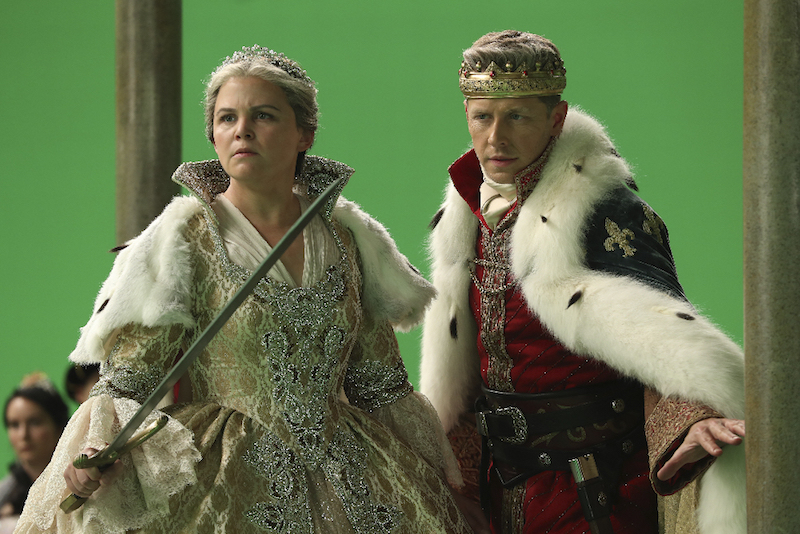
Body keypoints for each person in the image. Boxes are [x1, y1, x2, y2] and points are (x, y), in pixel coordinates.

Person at [14, 46, 471, 534]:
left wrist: (433, 482)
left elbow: (379, 384)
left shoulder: (348, 238)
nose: (242, 130)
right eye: (227, 118)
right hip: (226, 481)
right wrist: (95, 447)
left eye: (264, 115)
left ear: (304, 134)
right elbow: (129, 381)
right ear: (213, 134)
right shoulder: (181, 240)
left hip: (349, 471)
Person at [419, 30, 745, 534]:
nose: (496, 137)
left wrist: (697, 414)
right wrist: (455, 475)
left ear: (557, 119)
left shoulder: (606, 210)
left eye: (517, 116)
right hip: (501, 484)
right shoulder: (464, 217)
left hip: (597, 488)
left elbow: (665, 334)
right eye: (483, 117)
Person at [1, 374, 68, 533]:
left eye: (35, 422)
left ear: (59, 427)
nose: (23, 435)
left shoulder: (81, 480)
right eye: (14, 425)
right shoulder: (4, 494)